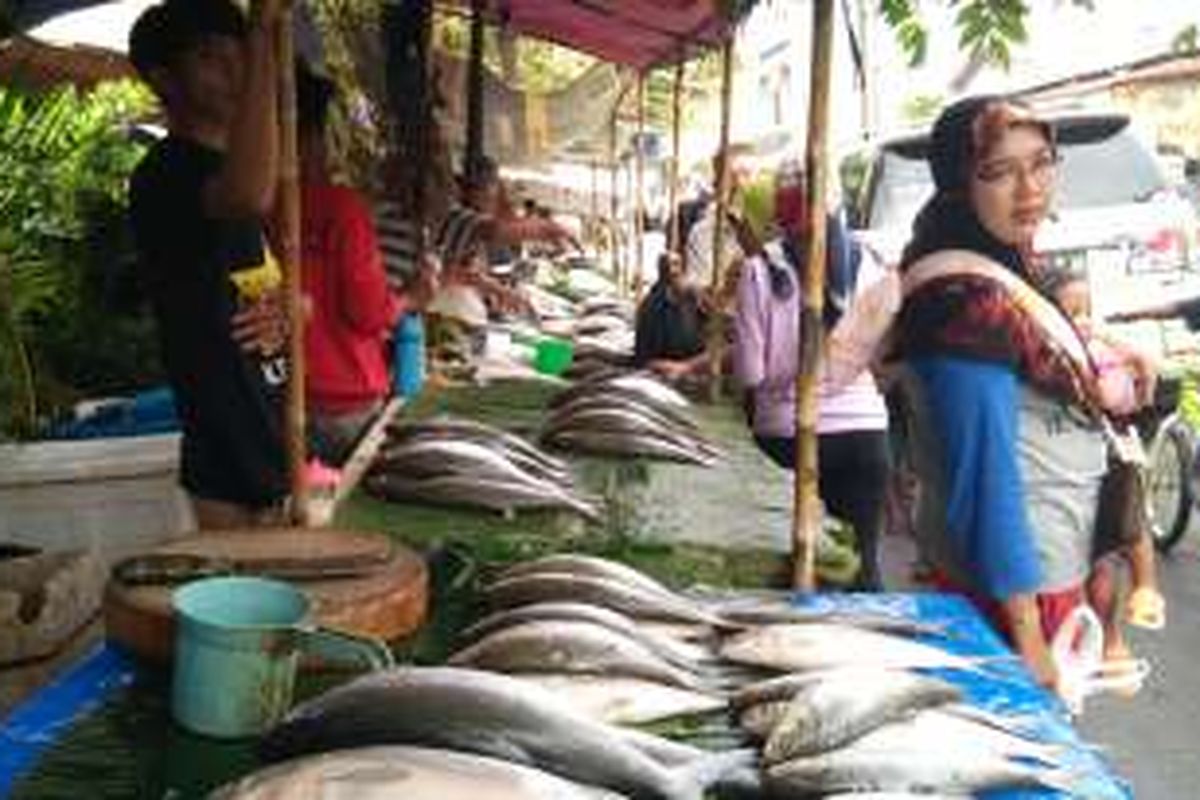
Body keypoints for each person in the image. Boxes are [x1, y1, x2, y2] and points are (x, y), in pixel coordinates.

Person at [892, 95, 1138, 691]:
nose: (1029, 188)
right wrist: (1028, 639)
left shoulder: (1000, 269)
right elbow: (988, 482)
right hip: (1012, 598)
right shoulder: (963, 307)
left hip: (1036, 575)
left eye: (1042, 162)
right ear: (958, 183)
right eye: (998, 172)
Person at [128, 0, 289, 530]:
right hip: (230, 457)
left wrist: (294, 307)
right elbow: (246, 196)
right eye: (210, 58)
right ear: (164, 79)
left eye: (239, 54)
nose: (235, 69)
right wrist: (263, 41)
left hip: (277, 433)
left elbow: (273, 288)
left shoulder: (233, 169)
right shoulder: (166, 173)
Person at [733, 163, 891, 590]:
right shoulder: (873, 265)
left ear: (777, 215)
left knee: (799, 577)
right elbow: (881, 359)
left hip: (788, 440)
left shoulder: (759, 271)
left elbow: (751, 373)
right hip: (866, 437)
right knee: (863, 572)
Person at [295, 64, 435, 466]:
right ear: (319, 135)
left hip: (282, 397)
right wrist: (411, 297)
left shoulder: (250, 202)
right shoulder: (341, 208)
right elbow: (370, 314)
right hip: (345, 400)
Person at [1043, 268, 1166, 641]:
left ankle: (1111, 639)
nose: (1083, 320)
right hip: (1084, 467)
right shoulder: (1057, 355)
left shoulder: (1088, 349)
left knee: (1105, 558)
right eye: (1072, 311)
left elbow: (1141, 382)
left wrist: (1120, 355)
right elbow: (1124, 393)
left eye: (1087, 309)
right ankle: (1107, 640)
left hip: (1105, 462)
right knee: (1104, 556)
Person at [634, 252, 711, 380]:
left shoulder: (694, 298)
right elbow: (643, 355)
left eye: (676, 265)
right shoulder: (652, 305)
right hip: (660, 367)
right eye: (667, 266)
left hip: (692, 363)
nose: (672, 270)